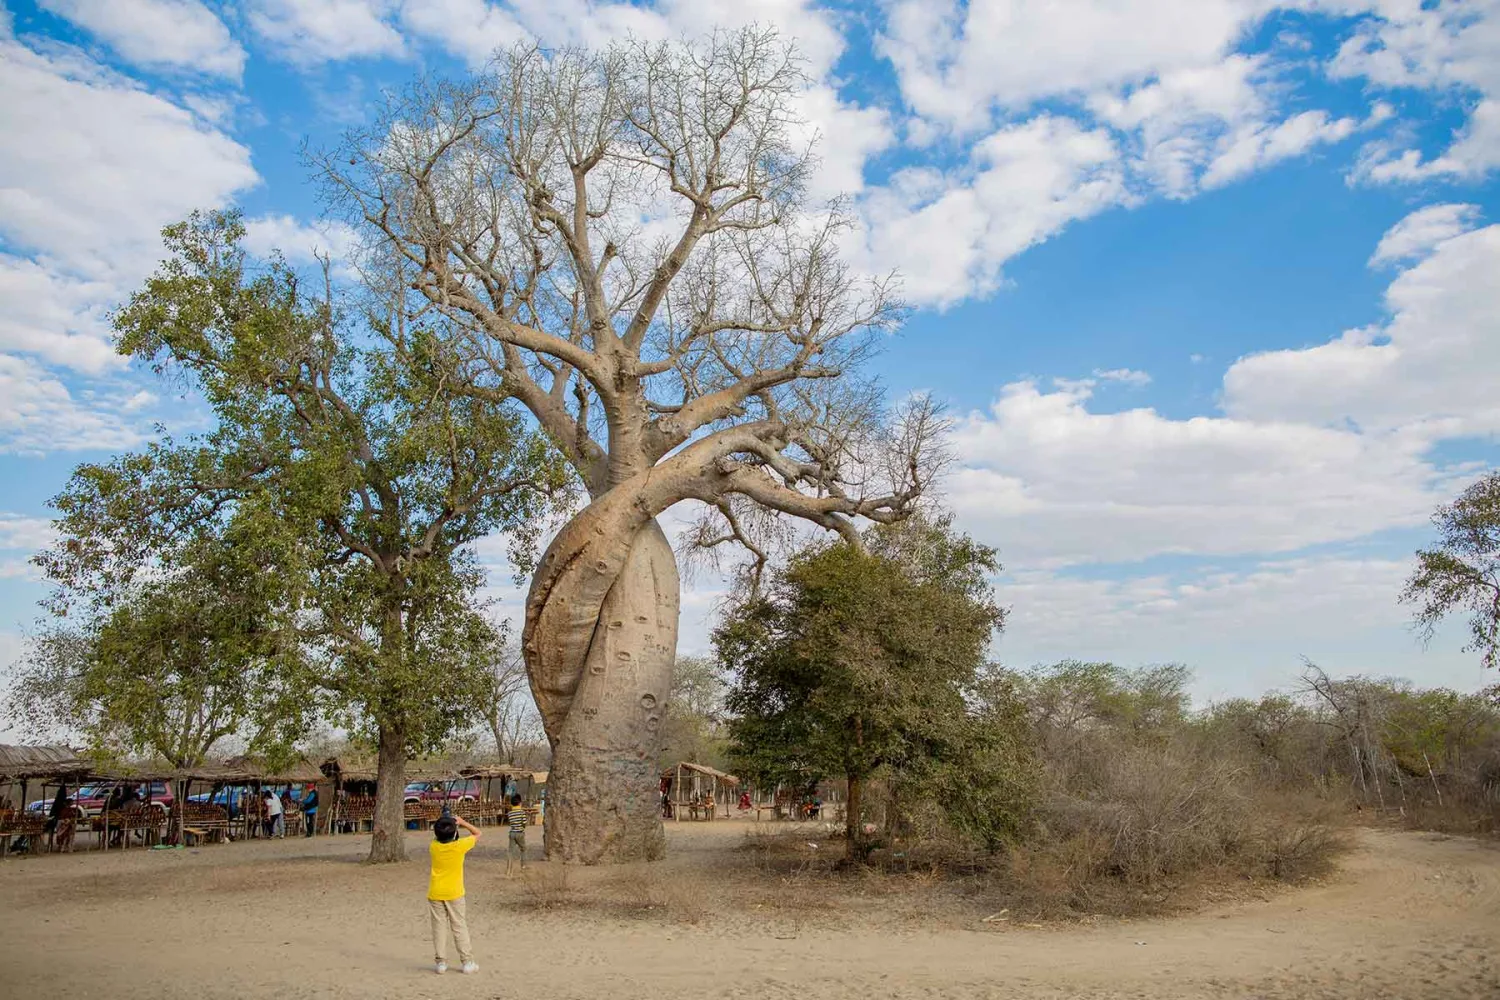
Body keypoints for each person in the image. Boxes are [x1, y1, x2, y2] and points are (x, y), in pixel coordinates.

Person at [427, 814, 481, 975]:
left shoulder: (433, 846)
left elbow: (440, 836)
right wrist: (462, 822)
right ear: (454, 833)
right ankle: (467, 961)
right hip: (455, 892)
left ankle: (441, 963)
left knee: (439, 927)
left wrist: (447, 824)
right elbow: (478, 833)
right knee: (459, 926)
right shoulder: (459, 846)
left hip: (436, 892)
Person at [505, 794, 527, 876]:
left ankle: (509, 869)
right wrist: (522, 827)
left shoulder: (510, 813)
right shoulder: (522, 812)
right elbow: (524, 823)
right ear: (520, 803)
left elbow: (510, 823)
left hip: (512, 833)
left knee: (510, 851)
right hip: (520, 833)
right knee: (523, 849)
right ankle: (523, 866)